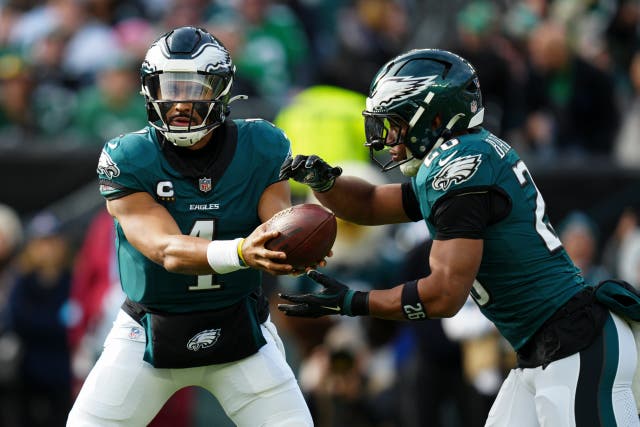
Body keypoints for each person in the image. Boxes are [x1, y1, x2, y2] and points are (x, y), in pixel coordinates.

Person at [278, 48, 640, 425]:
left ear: (434, 117)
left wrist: (356, 302)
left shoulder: (460, 167)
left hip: (575, 344)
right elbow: (369, 203)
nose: (388, 140)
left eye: (397, 124)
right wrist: (325, 183)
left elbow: (444, 294)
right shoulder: (458, 157)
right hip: (544, 348)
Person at [67, 26, 313, 426]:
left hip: (241, 330)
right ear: (149, 90)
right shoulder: (129, 156)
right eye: (169, 88)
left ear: (220, 89)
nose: (179, 103)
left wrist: (299, 243)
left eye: (193, 88)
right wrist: (240, 251)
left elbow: (280, 228)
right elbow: (166, 249)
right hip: (147, 333)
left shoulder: (261, 145)